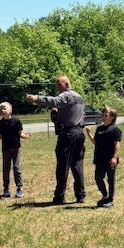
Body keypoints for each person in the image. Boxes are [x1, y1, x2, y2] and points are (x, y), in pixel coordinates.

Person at [26, 76, 85, 204]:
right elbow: (71, 112)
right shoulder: (79, 96)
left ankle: (59, 197)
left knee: (63, 166)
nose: (57, 87)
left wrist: (37, 98)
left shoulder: (67, 95)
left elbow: (54, 101)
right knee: (77, 165)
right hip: (79, 132)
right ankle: (80, 195)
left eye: (59, 84)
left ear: (67, 84)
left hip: (68, 134)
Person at [0, 101, 31, 198]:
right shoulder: (0, 123)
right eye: (1, 109)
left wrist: (26, 136)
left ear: (10, 110)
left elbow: (20, 134)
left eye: (5, 108)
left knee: (16, 168)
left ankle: (19, 188)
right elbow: (0, 136)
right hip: (6, 149)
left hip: (16, 148)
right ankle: (6, 189)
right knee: (6, 169)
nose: (3, 110)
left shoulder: (16, 121)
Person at [85, 106, 122, 208]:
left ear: (112, 117)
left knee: (110, 179)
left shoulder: (114, 129)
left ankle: (110, 199)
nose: (103, 117)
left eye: (106, 115)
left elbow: (117, 144)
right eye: (103, 115)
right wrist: (88, 133)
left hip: (110, 159)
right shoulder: (99, 129)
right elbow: (96, 142)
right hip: (99, 159)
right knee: (98, 178)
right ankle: (105, 196)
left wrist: (114, 157)